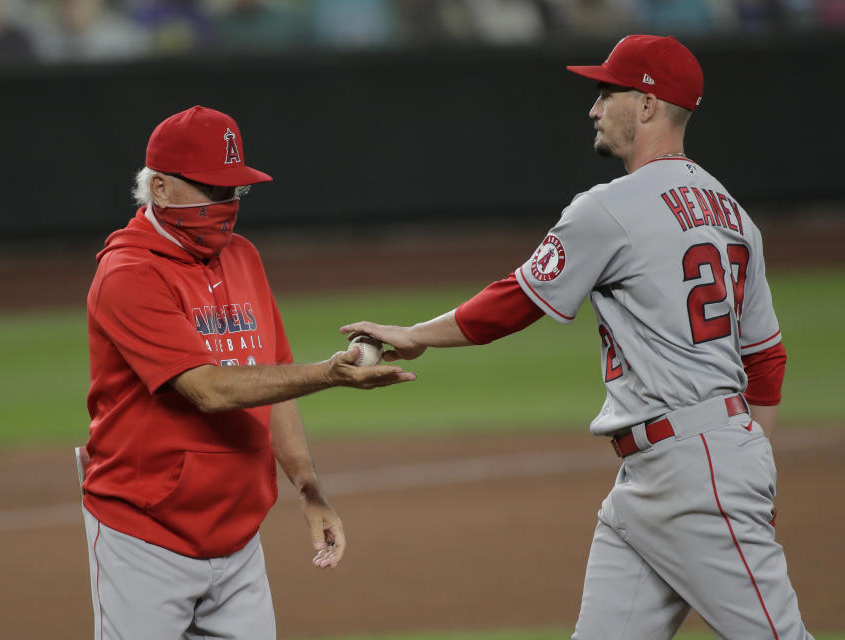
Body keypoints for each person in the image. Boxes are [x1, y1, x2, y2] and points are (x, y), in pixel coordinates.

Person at [342, 35, 813, 639]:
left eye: (605, 91)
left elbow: (515, 301)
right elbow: (765, 359)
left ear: (646, 105)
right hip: (669, 471)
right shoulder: (733, 215)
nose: (593, 107)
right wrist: (760, 464)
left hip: (694, 470)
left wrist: (417, 335)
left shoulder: (610, 207)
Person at [81, 105, 415, 640]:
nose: (227, 205)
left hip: (238, 540)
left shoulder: (244, 257)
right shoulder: (128, 274)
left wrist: (308, 486)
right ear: (161, 190)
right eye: (213, 191)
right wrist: (327, 374)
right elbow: (207, 389)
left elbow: (273, 376)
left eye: (235, 190)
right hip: (144, 539)